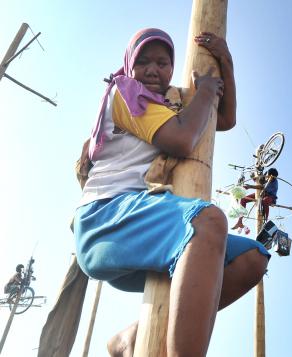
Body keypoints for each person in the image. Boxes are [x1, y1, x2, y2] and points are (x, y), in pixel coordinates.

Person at [73, 28, 270, 357]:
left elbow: (223, 118)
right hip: (106, 219)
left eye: (163, 63)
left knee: (252, 259)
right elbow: (181, 139)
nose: (153, 70)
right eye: (144, 62)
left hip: (144, 224)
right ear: (129, 65)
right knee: (206, 221)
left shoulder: (168, 103)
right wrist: (204, 92)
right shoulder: (124, 92)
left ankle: (133, 334)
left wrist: (225, 64)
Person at [232, 168, 279, 232]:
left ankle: (265, 221)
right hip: (262, 193)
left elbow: (262, 187)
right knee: (243, 199)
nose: (267, 178)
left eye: (268, 177)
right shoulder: (266, 176)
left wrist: (250, 186)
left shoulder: (274, 182)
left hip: (270, 196)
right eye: (267, 176)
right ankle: (240, 221)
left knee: (265, 201)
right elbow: (260, 182)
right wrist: (254, 177)